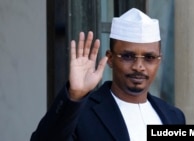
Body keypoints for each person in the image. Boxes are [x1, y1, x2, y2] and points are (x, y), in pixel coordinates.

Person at [30, 8, 185, 141]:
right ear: (110, 58)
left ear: (159, 60)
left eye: (149, 58)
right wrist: (74, 95)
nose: (139, 67)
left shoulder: (174, 117)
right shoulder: (81, 113)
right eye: (128, 56)